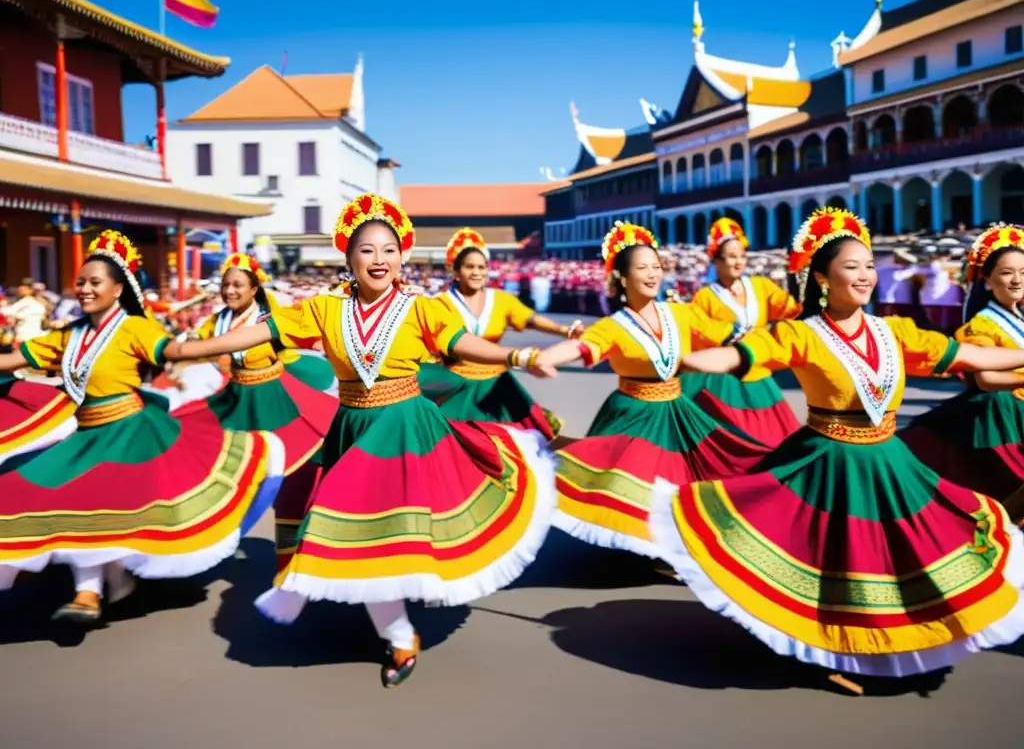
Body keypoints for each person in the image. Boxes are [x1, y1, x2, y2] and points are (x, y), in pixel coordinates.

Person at [170, 194, 557, 688]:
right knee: (355, 527)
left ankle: (397, 631)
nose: (380, 259)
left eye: (389, 250)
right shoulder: (325, 309)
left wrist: (519, 357)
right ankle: (399, 634)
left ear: (402, 256)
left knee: (396, 527)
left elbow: (462, 344)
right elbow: (260, 333)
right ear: (349, 259)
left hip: (406, 428)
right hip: (353, 427)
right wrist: (189, 348)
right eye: (368, 251)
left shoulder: (422, 308)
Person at [647, 208, 1024, 694]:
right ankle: (834, 650)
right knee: (840, 562)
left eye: (869, 265)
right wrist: (692, 356)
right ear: (822, 278)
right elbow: (749, 353)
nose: (866, 274)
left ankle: (883, 638)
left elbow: (970, 357)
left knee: (901, 550)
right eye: (852, 266)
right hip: (830, 459)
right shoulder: (803, 333)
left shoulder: (894, 332)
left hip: (887, 459)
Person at [0, 230, 273, 625]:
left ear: (117, 289)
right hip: (86, 434)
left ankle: (88, 593)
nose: (85, 289)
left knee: (90, 503)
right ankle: (119, 586)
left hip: (130, 432)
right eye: (81, 282)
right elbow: (14, 359)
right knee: (31, 491)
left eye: (95, 282)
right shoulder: (68, 335)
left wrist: (242, 338)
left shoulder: (134, 328)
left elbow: (176, 351)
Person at [532, 222, 766, 558]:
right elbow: (582, 348)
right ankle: (648, 545)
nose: (652, 274)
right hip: (634, 413)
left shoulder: (681, 313)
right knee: (637, 484)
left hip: (676, 409)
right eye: (642, 268)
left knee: (694, 475)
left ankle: (676, 542)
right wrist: (544, 358)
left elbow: (730, 333)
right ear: (623, 278)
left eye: (656, 267)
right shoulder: (613, 326)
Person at [174, 253, 339, 534]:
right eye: (226, 285)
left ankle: (311, 522)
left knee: (294, 461)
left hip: (273, 395)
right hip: (236, 398)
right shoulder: (217, 322)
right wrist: (177, 364)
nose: (229, 291)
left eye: (238, 285)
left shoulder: (268, 318)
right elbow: (198, 348)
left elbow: (300, 336)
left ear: (254, 289)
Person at [418, 228, 582, 440]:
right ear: (456, 272)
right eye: (470, 267)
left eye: (482, 267)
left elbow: (529, 319)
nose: (477, 272)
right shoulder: (438, 304)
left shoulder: (502, 300)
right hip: (456, 385)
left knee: (513, 448)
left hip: (497, 386)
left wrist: (563, 330)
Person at [901, 225, 1024, 505]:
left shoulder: (1020, 319)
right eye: (1006, 273)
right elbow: (986, 380)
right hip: (1007, 418)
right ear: (988, 281)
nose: (1017, 281)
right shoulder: (978, 326)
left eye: (1023, 272)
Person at [684, 217, 801, 447]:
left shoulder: (761, 286)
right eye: (731, 256)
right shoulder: (705, 297)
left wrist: (795, 279)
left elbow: (791, 308)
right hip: (723, 383)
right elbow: (696, 331)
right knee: (732, 443)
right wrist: (729, 333)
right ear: (716, 261)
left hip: (758, 376)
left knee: (775, 443)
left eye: (742, 255)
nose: (738, 261)